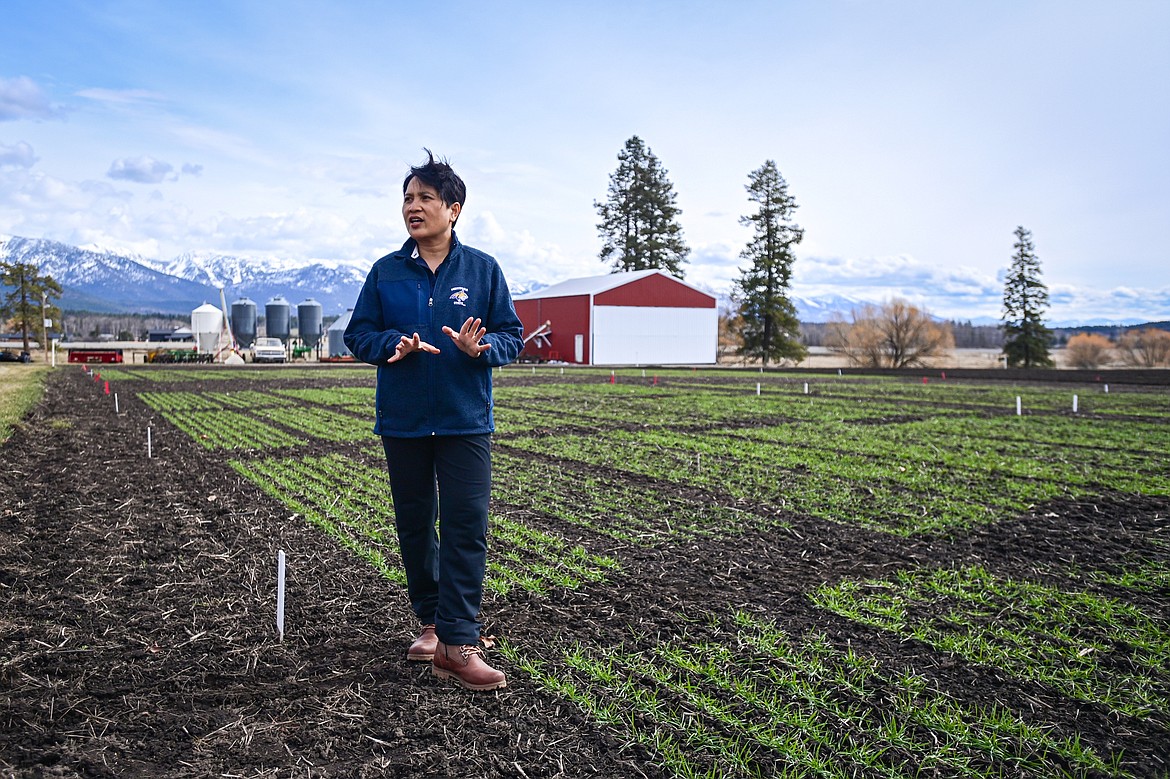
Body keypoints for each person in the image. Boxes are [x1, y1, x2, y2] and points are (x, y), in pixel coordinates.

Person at [344, 151, 523, 691]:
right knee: (416, 525)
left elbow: (511, 337)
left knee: (467, 524)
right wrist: (390, 345)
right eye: (407, 198)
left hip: (465, 420)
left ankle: (457, 642)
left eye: (424, 198)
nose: (412, 207)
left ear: (454, 209)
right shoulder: (386, 272)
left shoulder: (483, 270)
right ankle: (429, 622)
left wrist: (480, 347)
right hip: (403, 421)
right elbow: (358, 334)